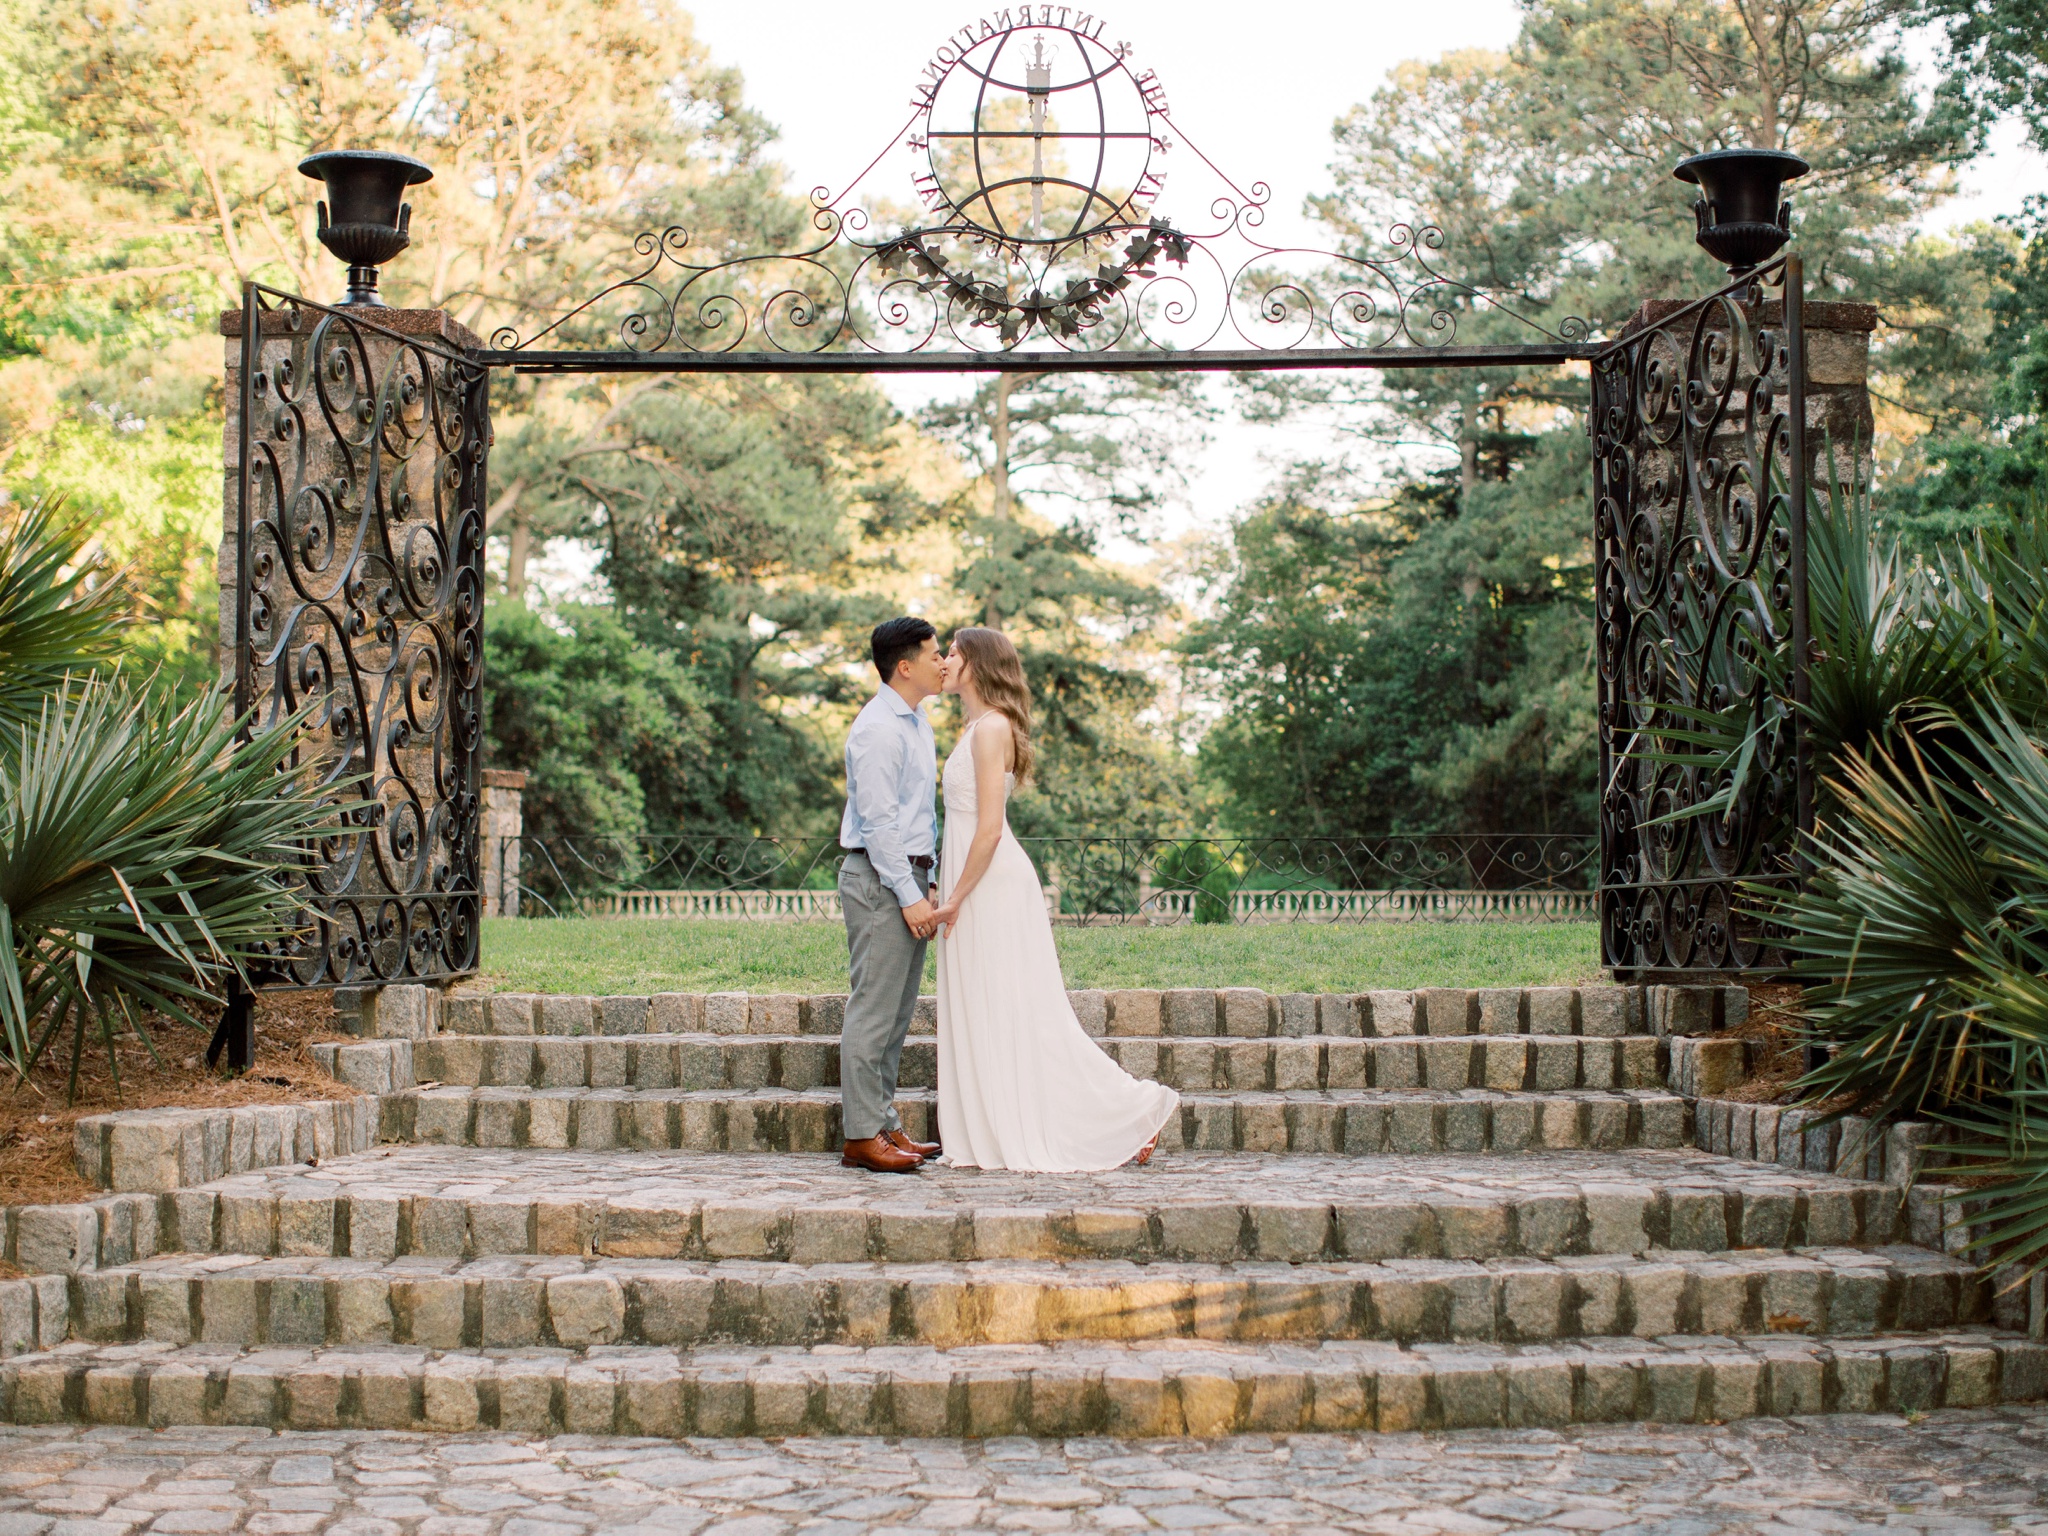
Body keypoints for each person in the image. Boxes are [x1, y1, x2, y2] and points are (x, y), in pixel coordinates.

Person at [932, 626, 1179, 1170]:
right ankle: (988, 1128)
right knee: (993, 1007)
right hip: (975, 882)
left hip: (989, 885)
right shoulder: (975, 727)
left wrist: (954, 898)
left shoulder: (991, 728)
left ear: (976, 663)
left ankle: (1130, 1111)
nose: (943, 660)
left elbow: (990, 828)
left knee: (1021, 1010)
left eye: (952, 652)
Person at [837, 617, 945, 1173]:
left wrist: (927, 882)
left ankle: (884, 1124)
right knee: (873, 1012)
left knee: (897, 1013)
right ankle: (861, 1136)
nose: (943, 662)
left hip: (907, 878)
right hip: (880, 881)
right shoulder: (879, 728)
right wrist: (908, 894)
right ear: (905, 666)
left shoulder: (917, 721)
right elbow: (878, 825)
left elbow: (915, 817)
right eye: (934, 654)